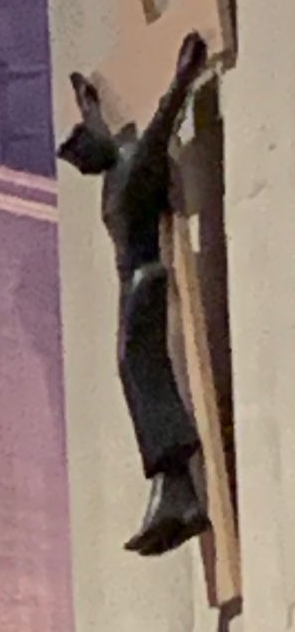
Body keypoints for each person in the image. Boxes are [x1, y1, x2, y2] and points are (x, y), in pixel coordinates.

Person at [57, 31, 210, 557]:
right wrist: (89, 102)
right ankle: (175, 489)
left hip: (145, 274)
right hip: (133, 280)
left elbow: (163, 121)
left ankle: (175, 481)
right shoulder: (111, 164)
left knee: (134, 363)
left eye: (84, 154)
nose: (85, 163)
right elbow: (97, 129)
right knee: (131, 366)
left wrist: (184, 75)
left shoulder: (133, 164)